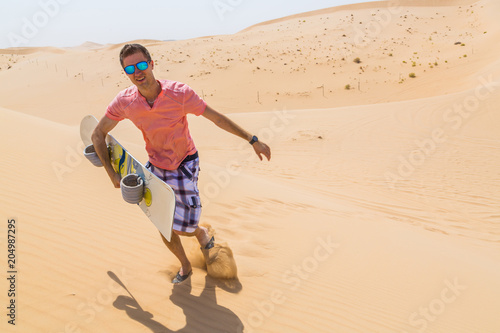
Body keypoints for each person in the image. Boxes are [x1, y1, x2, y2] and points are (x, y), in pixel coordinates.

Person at [92, 44, 271, 284]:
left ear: (152, 64)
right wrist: (111, 174)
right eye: (131, 68)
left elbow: (216, 118)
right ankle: (185, 265)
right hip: (156, 166)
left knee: (184, 228)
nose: (138, 71)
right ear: (126, 72)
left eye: (142, 64)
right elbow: (97, 134)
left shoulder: (179, 94)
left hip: (185, 163)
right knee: (162, 221)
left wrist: (252, 139)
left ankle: (200, 232)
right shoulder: (125, 102)